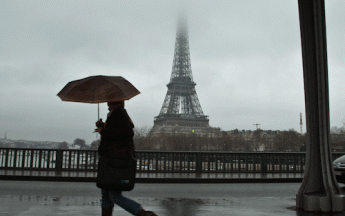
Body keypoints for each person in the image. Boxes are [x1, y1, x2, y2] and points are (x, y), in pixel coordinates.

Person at [95, 101, 157, 216]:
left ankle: (142, 213)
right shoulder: (117, 115)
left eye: (111, 103)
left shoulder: (118, 114)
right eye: (108, 103)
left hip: (114, 159)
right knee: (106, 193)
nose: (108, 105)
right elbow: (118, 133)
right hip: (112, 159)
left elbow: (125, 133)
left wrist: (103, 130)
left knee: (114, 195)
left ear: (118, 104)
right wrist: (103, 126)